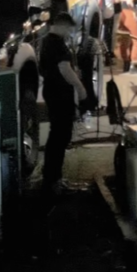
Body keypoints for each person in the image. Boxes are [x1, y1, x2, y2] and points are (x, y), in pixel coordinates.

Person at [38, 12, 87, 196]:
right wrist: (80, 87)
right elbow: (64, 69)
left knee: (57, 136)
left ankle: (54, 178)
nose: (69, 33)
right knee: (60, 136)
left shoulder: (47, 42)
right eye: (68, 29)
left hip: (53, 92)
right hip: (59, 95)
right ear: (62, 25)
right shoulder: (56, 43)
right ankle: (52, 180)